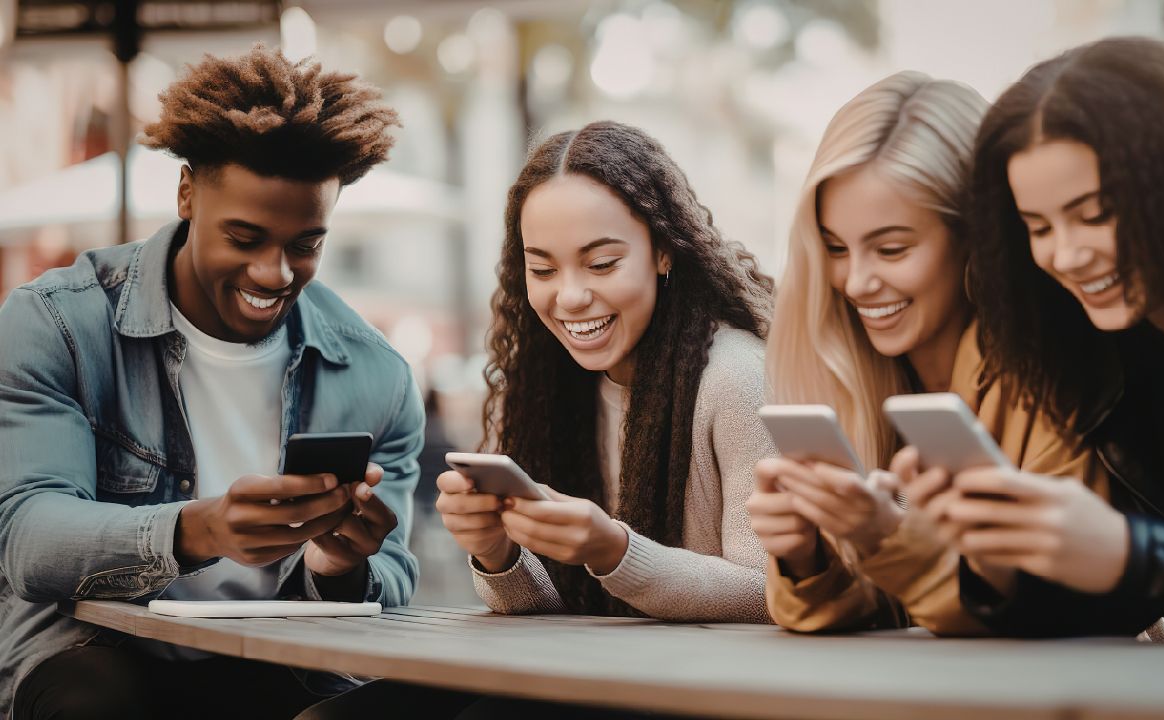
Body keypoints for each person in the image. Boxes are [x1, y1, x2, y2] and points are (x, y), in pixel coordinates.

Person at [0, 46, 422, 719]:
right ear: (187, 194)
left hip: (281, 667)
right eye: (245, 237)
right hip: (98, 656)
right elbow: (29, 538)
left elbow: (394, 580)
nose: (275, 272)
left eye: (305, 243)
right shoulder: (58, 323)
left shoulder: (375, 374)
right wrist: (200, 530)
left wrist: (338, 566)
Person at [929, 37, 1164, 641]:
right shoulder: (1113, 367)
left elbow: (1157, 571)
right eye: (1038, 227)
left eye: (1097, 214)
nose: (1066, 254)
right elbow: (1119, 603)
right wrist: (998, 554)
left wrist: (1133, 554)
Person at [746, 71, 1108, 635]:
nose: (857, 282)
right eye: (836, 248)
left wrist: (885, 537)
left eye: (892, 248)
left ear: (975, 238)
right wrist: (804, 558)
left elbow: (1037, 613)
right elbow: (890, 610)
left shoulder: (1049, 378)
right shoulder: (857, 373)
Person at [437, 120, 776, 623]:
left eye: (601, 264)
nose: (570, 297)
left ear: (663, 251)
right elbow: (557, 614)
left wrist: (615, 552)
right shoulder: (542, 384)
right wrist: (497, 553)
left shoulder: (735, 377)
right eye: (544, 270)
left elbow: (770, 592)